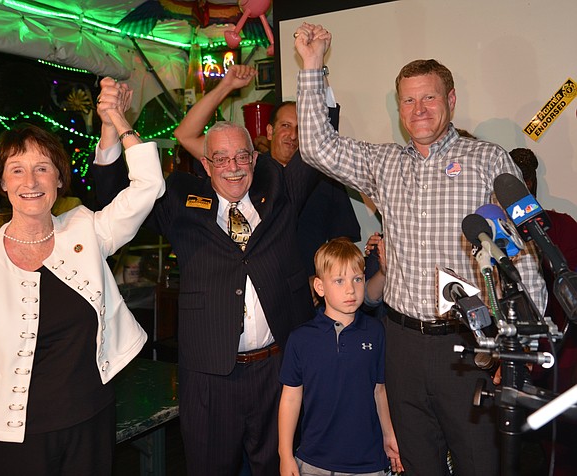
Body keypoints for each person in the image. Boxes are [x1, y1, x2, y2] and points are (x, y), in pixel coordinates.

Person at [293, 23, 547, 476]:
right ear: (399, 109)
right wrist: (312, 66)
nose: (419, 108)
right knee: (416, 464)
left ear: (451, 100)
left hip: (469, 345)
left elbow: (521, 260)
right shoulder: (385, 164)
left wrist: (517, 350)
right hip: (403, 346)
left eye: (429, 97)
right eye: (408, 100)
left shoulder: (487, 161)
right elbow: (316, 147)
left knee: (477, 464)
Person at [0, 86, 165, 475]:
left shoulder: (87, 230)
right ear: (2, 182)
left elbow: (148, 187)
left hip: (89, 424)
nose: (30, 181)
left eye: (42, 168)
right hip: (7, 439)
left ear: (58, 179)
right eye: (17, 169)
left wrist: (118, 120)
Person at [93, 79, 319, 475]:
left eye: (241, 157)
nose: (232, 167)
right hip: (210, 377)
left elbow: (319, 140)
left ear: (254, 158)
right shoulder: (180, 200)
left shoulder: (279, 193)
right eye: (221, 158)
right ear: (205, 163)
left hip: (278, 370)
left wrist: (315, 68)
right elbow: (113, 199)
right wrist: (111, 126)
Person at [173, 64, 360, 284]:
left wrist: (323, 281)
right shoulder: (247, 172)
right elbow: (185, 135)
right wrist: (226, 85)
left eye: (301, 129)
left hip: (312, 296)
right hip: (251, 294)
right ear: (269, 131)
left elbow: (342, 242)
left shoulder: (324, 178)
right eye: (285, 126)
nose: (292, 135)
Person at [278, 237, 403, 476]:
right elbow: (290, 399)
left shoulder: (376, 331)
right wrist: (285, 454)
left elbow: (379, 390)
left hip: (368, 462)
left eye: (357, 279)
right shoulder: (301, 339)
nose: (350, 289)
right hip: (314, 461)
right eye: (339, 280)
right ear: (320, 287)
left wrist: (389, 436)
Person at [509, 147, 577, 476]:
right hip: (507, 350)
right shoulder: (492, 232)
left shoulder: (561, 227)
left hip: (557, 353)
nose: (526, 186)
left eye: (529, 179)